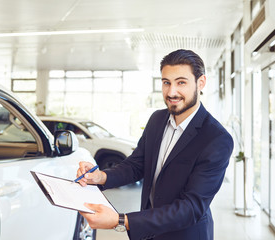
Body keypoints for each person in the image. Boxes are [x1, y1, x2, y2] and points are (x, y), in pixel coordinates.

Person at [76, 49, 234, 240]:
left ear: (201, 83)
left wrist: (121, 220)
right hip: (149, 233)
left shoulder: (216, 139)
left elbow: (191, 208)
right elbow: (136, 165)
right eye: (166, 82)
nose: (171, 92)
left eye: (181, 82)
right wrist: (100, 177)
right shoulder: (157, 119)